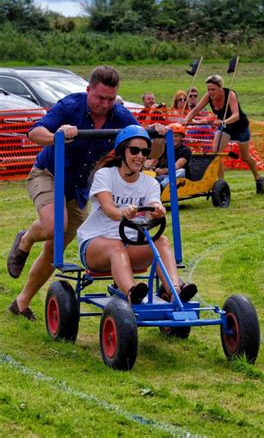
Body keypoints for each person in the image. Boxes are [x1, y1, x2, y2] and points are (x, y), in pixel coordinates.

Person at [6, 65, 165, 321]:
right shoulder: (70, 106)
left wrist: (155, 134)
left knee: (54, 248)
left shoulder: (120, 116)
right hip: (49, 174)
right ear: (88, 89)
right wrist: (57, 135)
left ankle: (21, 303)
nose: (105, 104)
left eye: (110, 99)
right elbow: (34, 132)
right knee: (54, 225)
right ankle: (25, 240)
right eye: (100, 97)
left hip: (80, 188)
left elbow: (145, 148)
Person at [77, 125, 197, 304]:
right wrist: (123, 212)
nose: (140, 156)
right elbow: (109, 210)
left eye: (145, 152)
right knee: (116, 247)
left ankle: (175, 292)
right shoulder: (105, 175)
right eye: (134, 150)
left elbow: (153, 203)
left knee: (161, 241)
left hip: (131, 246)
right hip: (96, 246)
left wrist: (158, 209)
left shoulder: (150, 184)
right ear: (121, 152)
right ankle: (131, 293)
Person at [184, 74, 264, 194]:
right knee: (216, 153)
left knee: (245, 157)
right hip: (225, 128)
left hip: (240, 127)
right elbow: (195, 110)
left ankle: (258, 179)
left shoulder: (230, 94)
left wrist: (223, 122)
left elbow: (236, 115)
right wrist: (186, 121)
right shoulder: (208, 97)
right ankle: (222, 185)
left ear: (220, 88)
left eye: (213, 89)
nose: (210, 92)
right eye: (208, 89)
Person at [146, 123, 192, 189]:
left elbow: (177, 166)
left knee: (181, 171)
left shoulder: (185, 150)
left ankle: (161, 186)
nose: (173, 138)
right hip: (160, 176)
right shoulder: (162, 147)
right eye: (171, 136)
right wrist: (150, 167)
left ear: (181, 137)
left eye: (176, 136)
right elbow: (153, 160)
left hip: (177, 178)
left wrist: (162, 171)